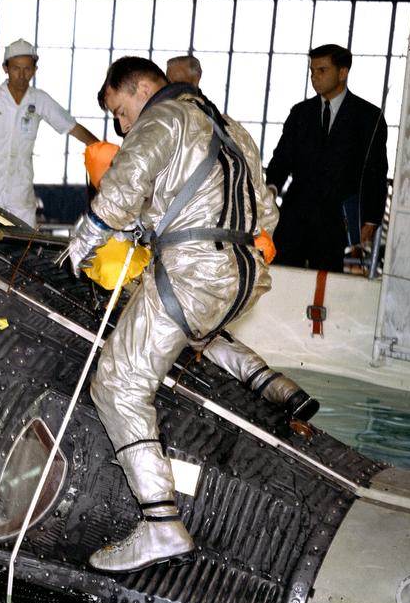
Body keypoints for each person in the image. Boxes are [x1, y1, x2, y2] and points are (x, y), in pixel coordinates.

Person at [67, 57, 278, 573]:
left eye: (119, 110)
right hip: (243, 275)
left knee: (118, 384)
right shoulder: (229, 126)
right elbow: (267, 211)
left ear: (140, 88)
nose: (120, 125)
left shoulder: (163, 118)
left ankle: (160, 524)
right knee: (185, 327)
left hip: (194, 271)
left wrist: (85, 238)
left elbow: (124, 182)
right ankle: (269, 382)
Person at [0, 39, 98, 227]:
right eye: (16, 68)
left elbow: (72, 127)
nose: (22, 75)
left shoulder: (39, 100)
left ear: (35, 70)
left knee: (24, 247)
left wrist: (99, 147)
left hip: (20, 193)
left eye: (27, 69)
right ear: (5, 68)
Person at [266, 43, 388, 270]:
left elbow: (376, 172)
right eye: (312, 71)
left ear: (342, 73)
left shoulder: (368, 117)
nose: (314, 77)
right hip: (294, 216)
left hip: (337, 222)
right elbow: (282, 158)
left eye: (322, 70)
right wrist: (271, 189)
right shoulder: (300, 113)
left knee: (323, 288)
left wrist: (370, 219)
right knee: (280, 276)